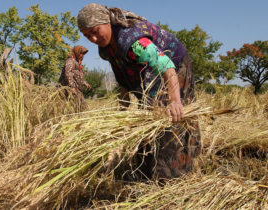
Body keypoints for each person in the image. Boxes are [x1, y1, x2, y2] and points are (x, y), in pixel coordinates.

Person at [77, 3, 201, 181]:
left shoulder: (133, 42)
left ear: (107, 22)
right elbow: (120, 68)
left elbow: (166, 67)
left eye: (95, 31)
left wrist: (175, 100)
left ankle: (173, 175)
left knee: (171, 119)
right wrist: (124, 98)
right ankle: (146, 171)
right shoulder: (105, 48)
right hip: (149, 73)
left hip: (174, 66)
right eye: (87, 35)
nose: (94, 38)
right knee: (147, 119)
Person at [58, 45, 91, 110]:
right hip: (68, 90)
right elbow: (68, 73)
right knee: (79, 107)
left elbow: (77, 76)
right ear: (77, 53)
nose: (83, 56)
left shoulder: (77, 63)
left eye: (83, 54)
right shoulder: (70, 61)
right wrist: (72, 87)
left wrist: (85, 83)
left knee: (81, 107)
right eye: (81, 53)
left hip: (76, 90)